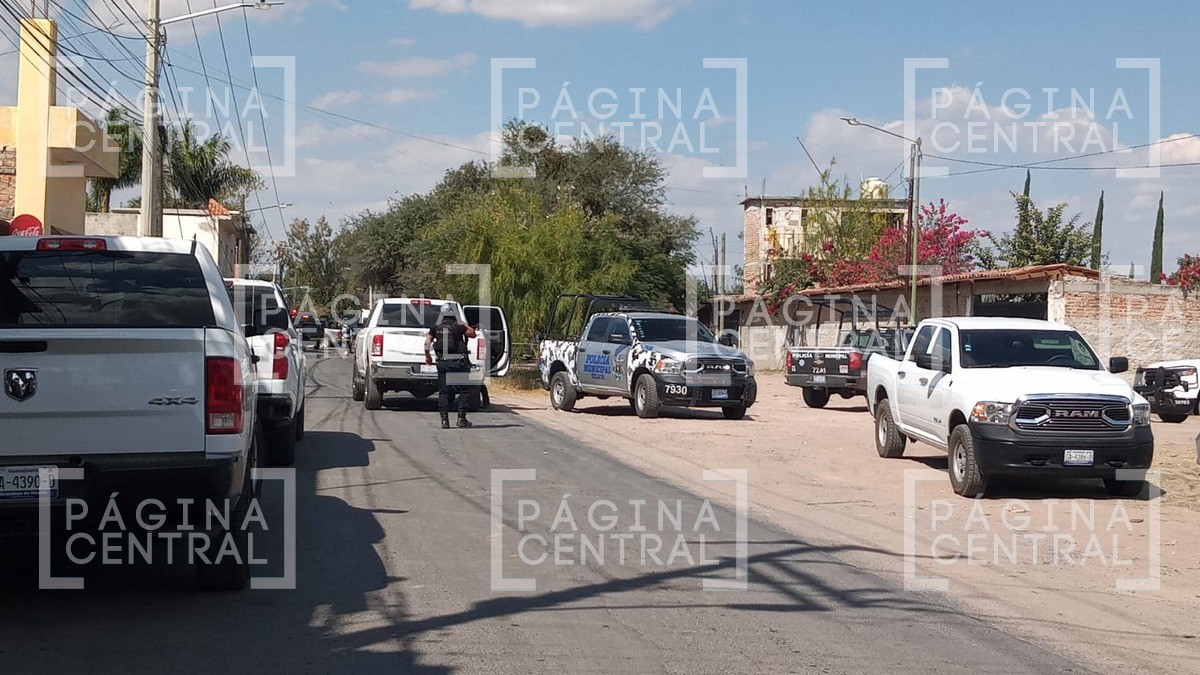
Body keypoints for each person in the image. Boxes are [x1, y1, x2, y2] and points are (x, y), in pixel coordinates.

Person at [425, 304, 478, 429]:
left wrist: (428, 357)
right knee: (464, 390)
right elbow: (473, 333)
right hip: (458, 363)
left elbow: (427, 343)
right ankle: (461, 419)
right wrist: (463, 324)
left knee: (443, 392)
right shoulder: (458, 325)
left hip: (443, 363)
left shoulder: (435, 327)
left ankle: (444, 421)